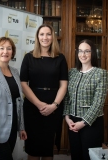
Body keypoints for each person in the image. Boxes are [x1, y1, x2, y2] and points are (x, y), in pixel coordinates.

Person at [20, 24, 68, 160]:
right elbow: (23, 84)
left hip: (54, 107)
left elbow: (64, 85)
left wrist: (54, 105)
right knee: (33, 149)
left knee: (48, 149)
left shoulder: (60, 58)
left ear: (53, 37)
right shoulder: (28, 57)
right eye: (42, 34)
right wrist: (39, 104)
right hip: (32, 108)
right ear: (37, 37)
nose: (45, 37)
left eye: (48, 34)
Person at [63, 39, 108, 160]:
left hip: (91, 123)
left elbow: (98, 103)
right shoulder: (72, 72)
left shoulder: (101, 73)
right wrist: (67, 118)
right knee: (76, 155)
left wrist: (83, 123)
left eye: (87, 51)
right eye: (80, 51)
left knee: (90, 157)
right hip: (72, 122)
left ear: (93, 53)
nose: (83, 54)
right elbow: (67, 97)